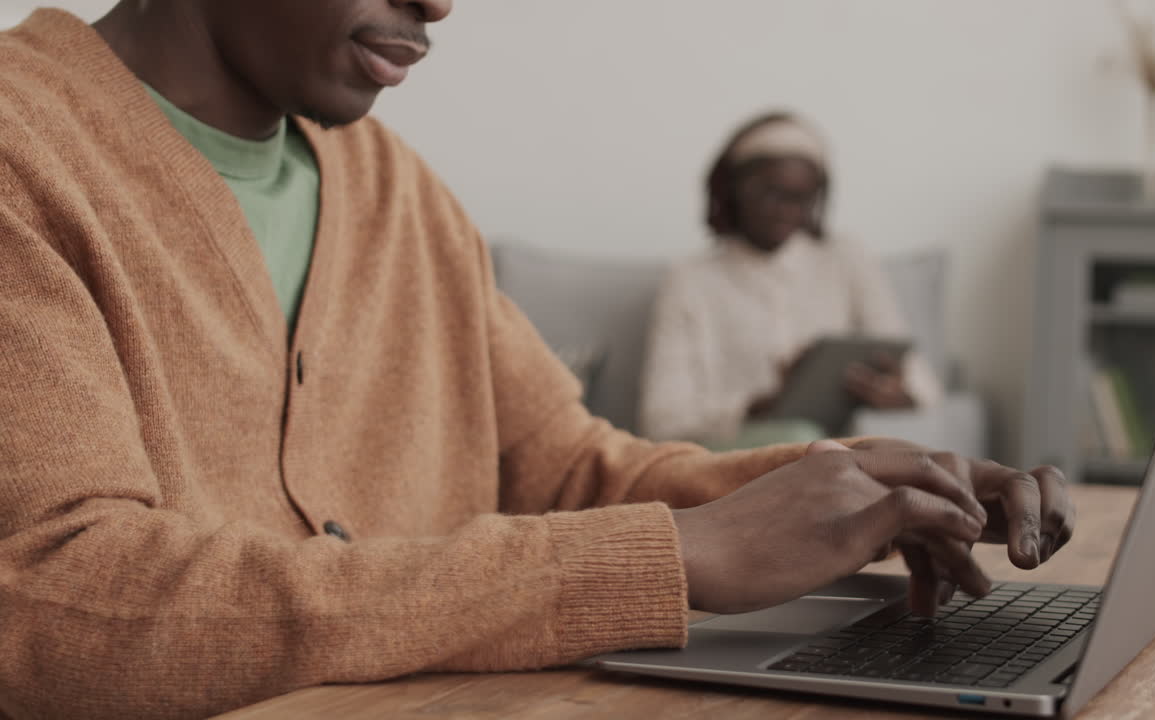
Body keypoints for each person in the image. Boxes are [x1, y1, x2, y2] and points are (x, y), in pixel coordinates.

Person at [0, 4, 1074, 718]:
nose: (440, 1)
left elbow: (567, 465)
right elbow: (53, 603)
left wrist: (850, 489)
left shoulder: (393, 186)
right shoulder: (22, 151)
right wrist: (665, 560)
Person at [640, 112, 945, 449]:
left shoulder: (848, 259)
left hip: (839, 458)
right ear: (734, 189)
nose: (785, 210)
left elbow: (923, 384)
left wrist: (898, 394)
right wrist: (762, 406)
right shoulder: (690, 279)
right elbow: (660, 420)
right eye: (771, 194)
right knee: (802, 442)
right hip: (738, 455)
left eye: (802, 197)